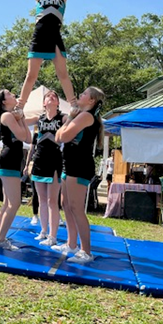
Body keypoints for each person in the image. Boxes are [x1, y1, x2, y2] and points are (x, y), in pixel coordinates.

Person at [14, 0, 86, 111]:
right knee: (31, 75)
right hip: (39, 37)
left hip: (55, 38)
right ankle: (20, 105)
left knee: (63, 74)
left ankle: (73, 104)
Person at [54, 86, 105, 264]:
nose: (79, 95)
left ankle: (86, 251)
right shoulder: (81, 116)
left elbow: (63, 137)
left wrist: (69, 119)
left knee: (76, 207)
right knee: (65, 204)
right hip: (69, 164)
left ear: (91, 101)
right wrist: (69, 121)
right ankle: (71, 244)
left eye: (84, 94)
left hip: (79, 165)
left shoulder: (86, 116)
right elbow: (57, 137)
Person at [0, 89, 32, 250]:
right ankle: (0, 239)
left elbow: (28, 138)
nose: (13, 95)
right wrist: (20, 118)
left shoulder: (12, 116)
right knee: (14, 203)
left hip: (12, 161)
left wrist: (22, 118)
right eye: (9, 94)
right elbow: (21, 136)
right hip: (8, 161)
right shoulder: (6, 116)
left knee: (7, 204)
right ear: (4, 101)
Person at [25, 89, 67, 246]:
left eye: (54, 96)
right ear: (44, 103)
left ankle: (53, 236)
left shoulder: (63, 117)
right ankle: (43, 231)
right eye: (48, 96)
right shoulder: (39, 118)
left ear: (57, 102)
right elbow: (22, 120)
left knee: (52, 201)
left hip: (54, 162)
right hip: (39, 161)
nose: (51, 97)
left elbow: (73, 122)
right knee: (41, 199)